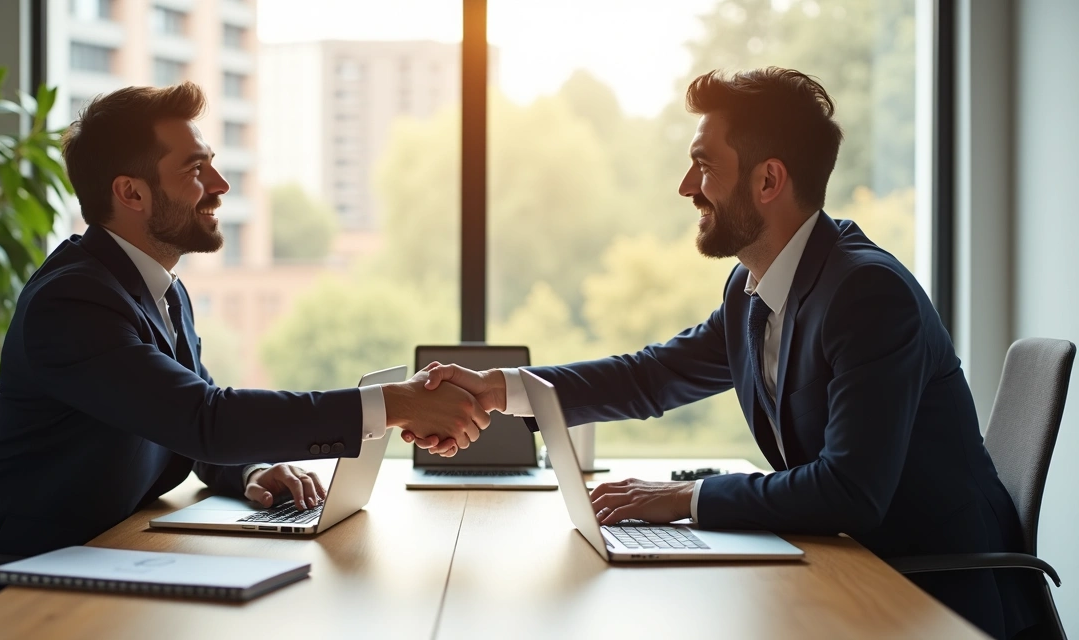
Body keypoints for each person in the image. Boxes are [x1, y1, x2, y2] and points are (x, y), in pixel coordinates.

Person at [407, 68, 1040, 639]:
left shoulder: (868, 295)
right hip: (844, 571)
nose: (687, 187)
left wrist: (685, 497)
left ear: (769, 180)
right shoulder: (752, 289)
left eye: (704, 165)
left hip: (930, 600)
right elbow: (651, 377)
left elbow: (850, 490)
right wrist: (500, 389)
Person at [0, 82, 488, 633]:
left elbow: (184, 421)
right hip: (15, 591)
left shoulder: (158, 288)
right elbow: (206, 419)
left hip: (104, 562)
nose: (219, 184)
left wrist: (255, 471)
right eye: (195, 168)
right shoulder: (73, 301)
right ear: (131, 193)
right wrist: (390, 405)